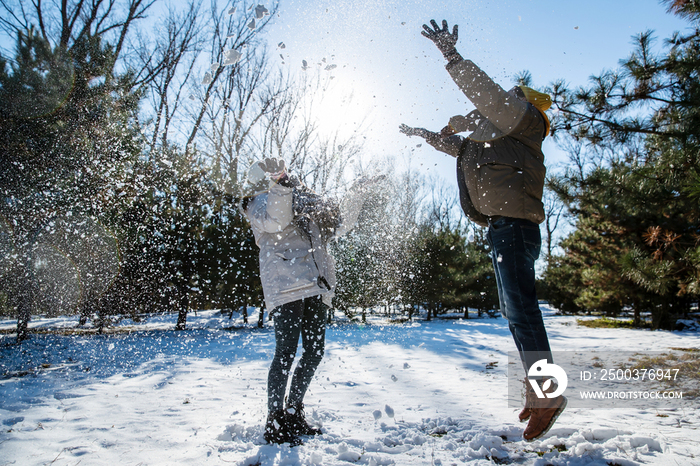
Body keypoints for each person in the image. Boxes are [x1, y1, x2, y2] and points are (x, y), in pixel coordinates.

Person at [399, 20, 566, 441]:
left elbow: (488, 95)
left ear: (523, 102)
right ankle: (537, 384)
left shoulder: (525, 122)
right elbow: (458, 146)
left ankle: (550, 391)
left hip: (515, 229)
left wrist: (451, 57)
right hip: (501, 230)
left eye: (512, 96)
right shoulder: (496, 139)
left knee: (522, 310)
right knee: (514, 313)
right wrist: (424, 133)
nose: (504, 99)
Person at [241, 157, 376, 445]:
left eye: (291, 179)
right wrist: (280, 185)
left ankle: (293, 411)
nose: (297, 183)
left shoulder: (307, 206)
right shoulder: (258, 204)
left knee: (314, 352)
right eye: (284, 179)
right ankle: (275, 420)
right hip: (287, 287)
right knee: (286, 352)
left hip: (316, 286)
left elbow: (341, 223)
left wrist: (358, 193)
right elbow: (278, 220)